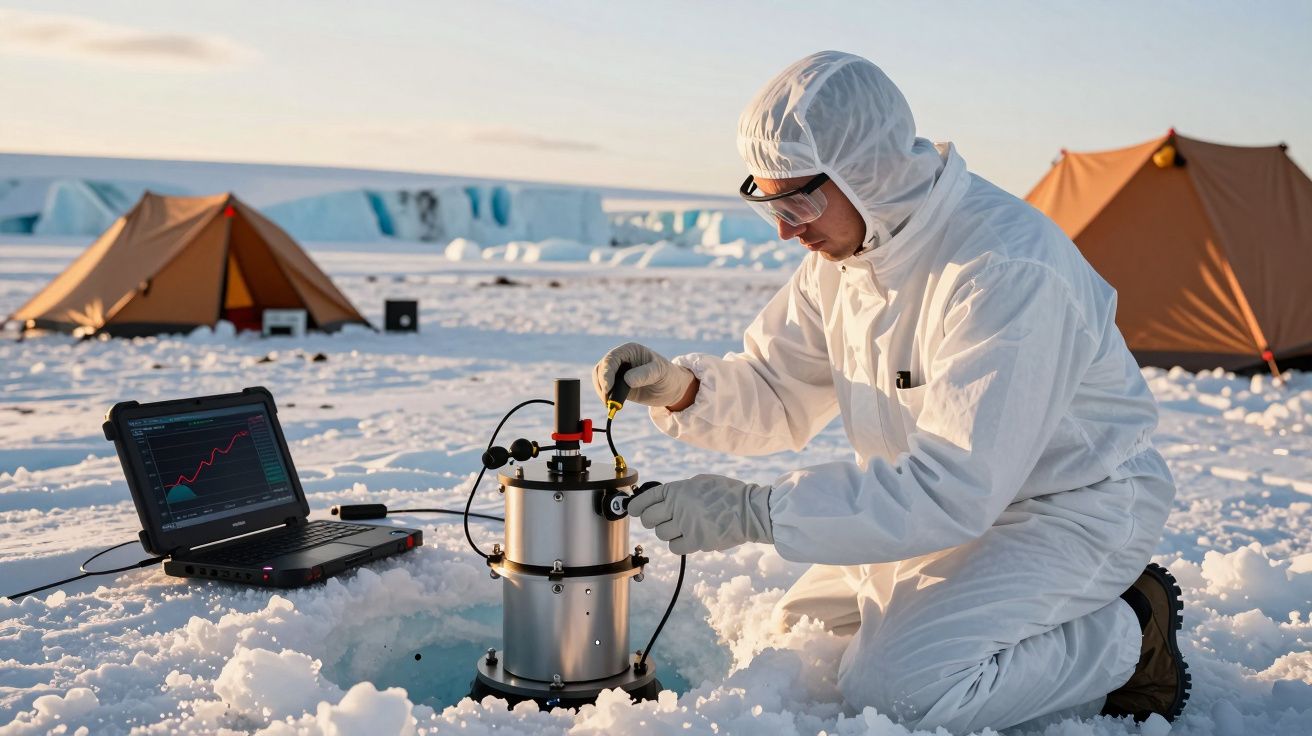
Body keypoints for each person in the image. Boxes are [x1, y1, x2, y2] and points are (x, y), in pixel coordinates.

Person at [593, 50, 1188, 733]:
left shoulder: (1001, 268)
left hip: (1070, 507)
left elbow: (955, 486)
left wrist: (755, 513)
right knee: (798, 645)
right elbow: (777, 389)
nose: (788, 229)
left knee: (903, 691)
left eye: (801, 201)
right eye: (770, 206)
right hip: (940, 506)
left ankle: (1128, 635)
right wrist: (682, 388)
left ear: (866, 169)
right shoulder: (849, 255)